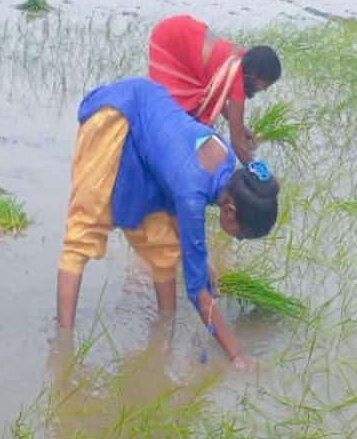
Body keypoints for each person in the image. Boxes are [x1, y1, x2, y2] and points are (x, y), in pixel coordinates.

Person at [56, 78, 281, 370]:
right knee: (85, 229)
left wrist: (203, 261)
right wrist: (236, 355)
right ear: (229, 212)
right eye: (240, 236)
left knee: (163, 249)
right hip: (116, 116)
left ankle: (163, 335)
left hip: (147, 124)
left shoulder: (223, 156)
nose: (237, 239)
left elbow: (178, 209)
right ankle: (62, 346)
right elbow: (197, 290)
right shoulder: (193, 193)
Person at [147, 14, 281, 165]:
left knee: (191, 120)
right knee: (172, 109)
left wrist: (240, 127)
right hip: (170, 38)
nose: (264, 90)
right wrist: (256, 170)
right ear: (256, 75)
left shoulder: (242, 60)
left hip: (184, 31)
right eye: (265, 85)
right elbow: (236, 142)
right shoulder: (237, 79)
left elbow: (218, 94)